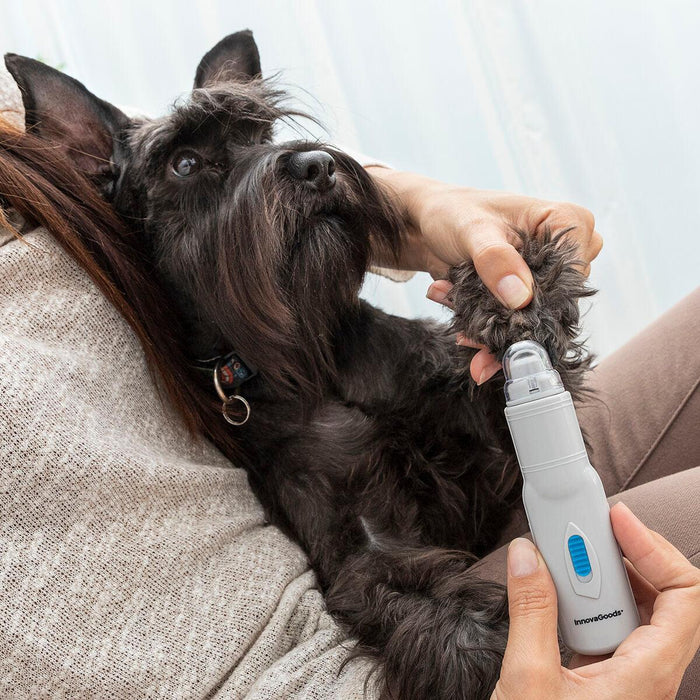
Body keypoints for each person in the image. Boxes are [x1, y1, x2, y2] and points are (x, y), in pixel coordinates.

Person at [0, 112, 697, 698]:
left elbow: (223, 168)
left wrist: (440, 215)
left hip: (523, 480)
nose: (294, 158)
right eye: (190, 165)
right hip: (419, 641)